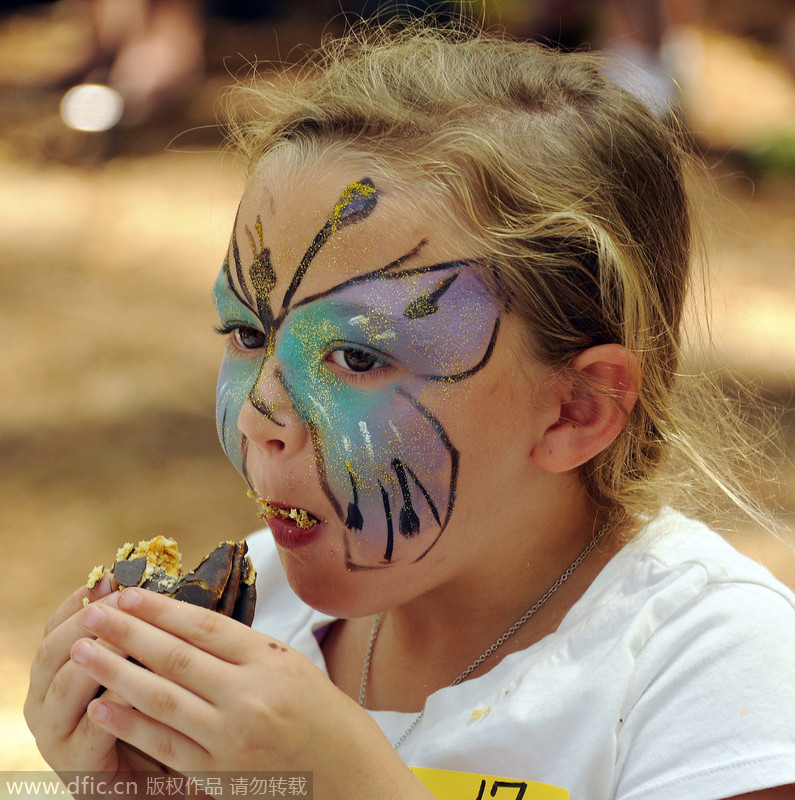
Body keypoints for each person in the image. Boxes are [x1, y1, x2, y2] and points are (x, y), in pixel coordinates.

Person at [24, 20, 795, 800]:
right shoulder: (242, 627)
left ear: (575, 409)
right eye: (247, 332)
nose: (261, 412)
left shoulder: (713, 672)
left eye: (356, 356)